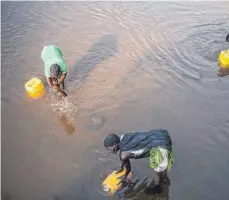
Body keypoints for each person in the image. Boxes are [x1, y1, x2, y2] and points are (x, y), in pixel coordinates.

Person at [103, 129, 174, 186]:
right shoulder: (123, 137)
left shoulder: (124, 155)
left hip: (160, 146)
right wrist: (121, 168)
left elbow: (128, 168)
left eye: (110, 149)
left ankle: (157, 188)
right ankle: (163, 178)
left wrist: (124, 177)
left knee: (158, 171)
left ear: (115, 144)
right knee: (162, 168)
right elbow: (123, 159)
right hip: (160, 134)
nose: (110, 151)